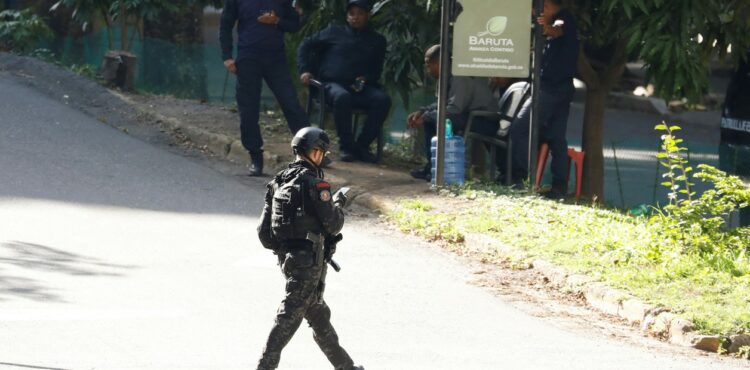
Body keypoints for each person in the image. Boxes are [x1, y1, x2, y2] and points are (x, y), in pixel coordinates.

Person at [256, 127, 364, 370]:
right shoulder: (316, 185)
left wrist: (288, 248)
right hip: (309, 263)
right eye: (321, 151)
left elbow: (264, 234)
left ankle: (345, 366)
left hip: (290, 261)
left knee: (318, 315)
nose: (323, 156)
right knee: (289, 316)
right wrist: (337, 205)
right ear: (315, 152)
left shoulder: (278, 181)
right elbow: (334, 225)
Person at [220, 0, 309, 176]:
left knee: (290, 102)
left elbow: (294, 24)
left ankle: (311, 149)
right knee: (248, 109)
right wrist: (227, 56)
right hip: (248, 57)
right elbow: (225, 24)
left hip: (275, 59)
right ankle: (255, 157)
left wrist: (277, 21)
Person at [297, 0, 391, 163]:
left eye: (360, 14)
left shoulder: (377, 40)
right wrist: (305, 70)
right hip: (331, 86)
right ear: (347, 17)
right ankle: (346, 147)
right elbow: (305, 45)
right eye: (351, 14)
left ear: (368, 15)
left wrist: (366, 78)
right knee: (342, 97)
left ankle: (361, 147)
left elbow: (377, 70)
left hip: (360, 88)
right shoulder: (334, 32)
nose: (355, 18)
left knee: (382, 100)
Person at [509, 0, 579, 196]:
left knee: (519, 129)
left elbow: (557, 30)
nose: (533, 13)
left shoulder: (563, 20)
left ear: (545, 6)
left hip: (550, 89)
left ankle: (521, 180)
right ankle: (559, 187)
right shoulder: (564, 20)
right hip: (562, 88)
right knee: (556, 138)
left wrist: (546, 28)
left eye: (536, 9)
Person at [407, 44, 500, 181]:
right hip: (468, 115)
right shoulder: (444, 78)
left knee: (433, 119)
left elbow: (455, 108)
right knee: (431, 119)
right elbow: (442, 104)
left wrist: (427, 116)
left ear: (439, 63)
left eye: (428, 64)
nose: (427, 69)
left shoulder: (459, 76)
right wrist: (423, 111)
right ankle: (432, 168)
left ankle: (437, 169)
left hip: (484, 120)